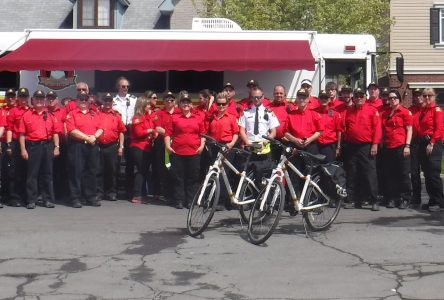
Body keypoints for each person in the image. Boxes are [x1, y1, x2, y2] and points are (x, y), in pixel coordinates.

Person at [18, 90, 61, 209]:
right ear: (33, 100)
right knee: (32, 174)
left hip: (47, 146)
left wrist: (56, 147)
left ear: (45, 100)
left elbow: (55, 133)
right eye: (37, 98)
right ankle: (31, 200)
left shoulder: (50, 115)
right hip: (33, 146)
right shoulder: (27, 115)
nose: (39, 100)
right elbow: (21, 134)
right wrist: (23, 150)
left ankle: (48, 199)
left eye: (41, 98)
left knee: (47, 174)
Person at [165, 92, 206, 209]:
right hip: (178, 152)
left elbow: (203, 134)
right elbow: (167, 134)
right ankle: (179, 200)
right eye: (183, 102)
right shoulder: (174, 118)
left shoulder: (198, 118)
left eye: (188, 102)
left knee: (193, 177)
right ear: (180, 104)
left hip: (194, 152)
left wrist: (202, 145)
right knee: (178, 177)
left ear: (191, 105)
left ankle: (190, 201)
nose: (186, 104)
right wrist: (168, 146)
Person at [343, 88, 381, 211]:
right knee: (352, 173)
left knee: (370, 173)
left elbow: (377, 129)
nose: (359, 98)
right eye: (357, 96)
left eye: (361, 96)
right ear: (353, 98)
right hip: (352, 146)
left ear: (365, 97)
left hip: (366, 146)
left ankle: (374, 200)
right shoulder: (349, 111)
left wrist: (375, 144)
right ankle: (352, 199)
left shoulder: (372, 110)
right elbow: (345, 128)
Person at [65, 91, 104, 208]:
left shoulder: (94, 114)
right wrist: (87, 137)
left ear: (89, 102)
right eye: (81, 99)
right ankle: (76, 198)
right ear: (76, 101)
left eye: (85, 99)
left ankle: (91, 197)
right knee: (76, 172)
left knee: (91, 172)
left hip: (92, 145)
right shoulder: (71, 114)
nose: (83, 101)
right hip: (78, 145)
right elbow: (72, 130)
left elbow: (101, 128)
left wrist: (95, 136)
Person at [239, 86, 279, 186]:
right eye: (253, 97)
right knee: (248, 176)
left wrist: (265, 142)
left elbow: (273, 131)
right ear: (251, 98)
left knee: (264, 177)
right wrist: (248, 143)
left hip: (264, 148)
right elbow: (242, 130)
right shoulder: (245, 112)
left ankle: (264, 198)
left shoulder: (269, 112)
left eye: (258, 97)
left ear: (263, 97)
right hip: (250, 147)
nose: (256, 99)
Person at [207, 91, 240, 210]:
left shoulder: (231, 117)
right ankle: (212, 198)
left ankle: (221, 201)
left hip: (227, 146)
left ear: (227, 104)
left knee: (223, 174)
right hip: (215, 146)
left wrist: (231, 144)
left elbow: (236, 133)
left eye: (223, 104)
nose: (221, 106)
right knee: (214, 172)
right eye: (219, 104)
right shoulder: (213, 117)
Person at [380, 90, 413, 209]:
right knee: (390, 174)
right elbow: (383, 129)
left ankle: (405, 198)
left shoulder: (405, 112)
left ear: (399, 99)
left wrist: (407, 146)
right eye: (390, 98)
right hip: (388, 147)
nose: (392, 100)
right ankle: (393, 198)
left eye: (395, 98)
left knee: (403, 174)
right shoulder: (385, 113)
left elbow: (409, 129)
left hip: (401, 146)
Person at [415, 88, 443, 212]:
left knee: (433, 174)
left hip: (433, 143)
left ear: (434, 97)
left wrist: (431, 143)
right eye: (424, 95)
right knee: (427, 174)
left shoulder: (436, 110)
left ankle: (439, 201)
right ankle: (432, 199)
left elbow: (438, 128)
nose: (427, 98)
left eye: (429, 95)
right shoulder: (424, 111)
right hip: (423, 144)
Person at [97, 93, 126, 202]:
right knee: (99, 170)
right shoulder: (97, 114)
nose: (107, 103)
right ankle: (99, 192)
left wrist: (121, 147)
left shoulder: (117, 116)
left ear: (112, 102)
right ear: (103, 102)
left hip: (112, 146)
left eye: (109, 101)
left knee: (112, 170)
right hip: (99, 145)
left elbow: (122, 132)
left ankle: (111, 192)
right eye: (106, 100)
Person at [112, 77, 137, 199]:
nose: (125, 88)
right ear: (118, 87)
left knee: (130, 164)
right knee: (115, 163)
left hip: (131, 133)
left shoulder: (134, 100)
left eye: (127, 86)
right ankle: (114, 190)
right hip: (118, 134)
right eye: (123, 86)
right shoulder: (112, 101)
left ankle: (129, 191)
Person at [6, 87, 31, 207]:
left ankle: (26, 196)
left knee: (28, 170)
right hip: (16, 143)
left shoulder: (32, 110)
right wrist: (9, 145)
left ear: (28, 98)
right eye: (21, 97)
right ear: (18, 98)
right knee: (15, 171)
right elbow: (9, 129)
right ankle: (14, 197)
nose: (23, 99)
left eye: (25, 96)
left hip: (29, 143)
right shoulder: (13, 111)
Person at [153, 91, 180, 204]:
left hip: (177, 144)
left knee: (176, 168)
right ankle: (167, 194)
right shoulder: (160, 113)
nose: (169, 102)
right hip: (163, 144)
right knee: (165, 167)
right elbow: (157, 128)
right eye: (167, 100)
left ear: (175, 101)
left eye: (171, 100)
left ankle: (176, 194)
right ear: (163, 101)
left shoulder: (179, 111)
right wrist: (170, 134)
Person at [128, 97, 155, 204]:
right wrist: (150, 130)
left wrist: (153, 133)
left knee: (144, 171)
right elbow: (139, 133)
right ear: (142, 106)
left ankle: (142, 194)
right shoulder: (137, 118)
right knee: (140, 171)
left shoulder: (147, 117)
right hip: (138, 147)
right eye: (147, 105)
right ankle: (137, 195)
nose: (149, 106)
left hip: (147, 147)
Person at [46, 90, 68, 200]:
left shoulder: (63, 111)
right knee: (48, 170)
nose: (51, 100)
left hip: (62, 143)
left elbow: (65, 126)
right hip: (48, 143)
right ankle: (49, 194)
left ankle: (61, 194)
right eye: (49, 98)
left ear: (57, 100)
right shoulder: (44, 111)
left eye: (53, 98)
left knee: (61, 169)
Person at [315, 90, 342, 163]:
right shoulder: (313, 113)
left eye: (326, 98)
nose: (324, 100)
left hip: (329, 146)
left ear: (329, 99)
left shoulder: (335, 114)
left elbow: (338, 131)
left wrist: (338, 147)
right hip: (315, 145)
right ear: (318, 99)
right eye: (322, 97)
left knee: (328, 169)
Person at [0, 88, 16, 207]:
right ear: (5, 98)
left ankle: (13, 196)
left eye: (12, 96)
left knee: (14, 171)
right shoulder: (2, 110)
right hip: (3, 143)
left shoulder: (19, 109)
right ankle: (4, 195)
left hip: (15, 143)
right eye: (8, 96)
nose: (10, 98)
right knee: (4, 170)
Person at [268, 84, 291, 161]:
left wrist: (289, 136)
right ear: (273, 94)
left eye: (281, 93)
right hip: (272, 141)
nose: (279, 95)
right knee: (273, 164)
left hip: (286, 140)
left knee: (286, 164)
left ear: (285, 94)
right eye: (276, 93)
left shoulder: (290, 107)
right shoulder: (268, 107)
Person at [409, 88, 424, 208]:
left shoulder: (429, 109)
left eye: (420, 95)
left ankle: (436, 198)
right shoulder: (411, 110)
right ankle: (416, 197)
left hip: (426, 143)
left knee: (430, 173)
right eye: (416, 95)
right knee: (414, 172)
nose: (418, 97)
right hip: (414, 143)